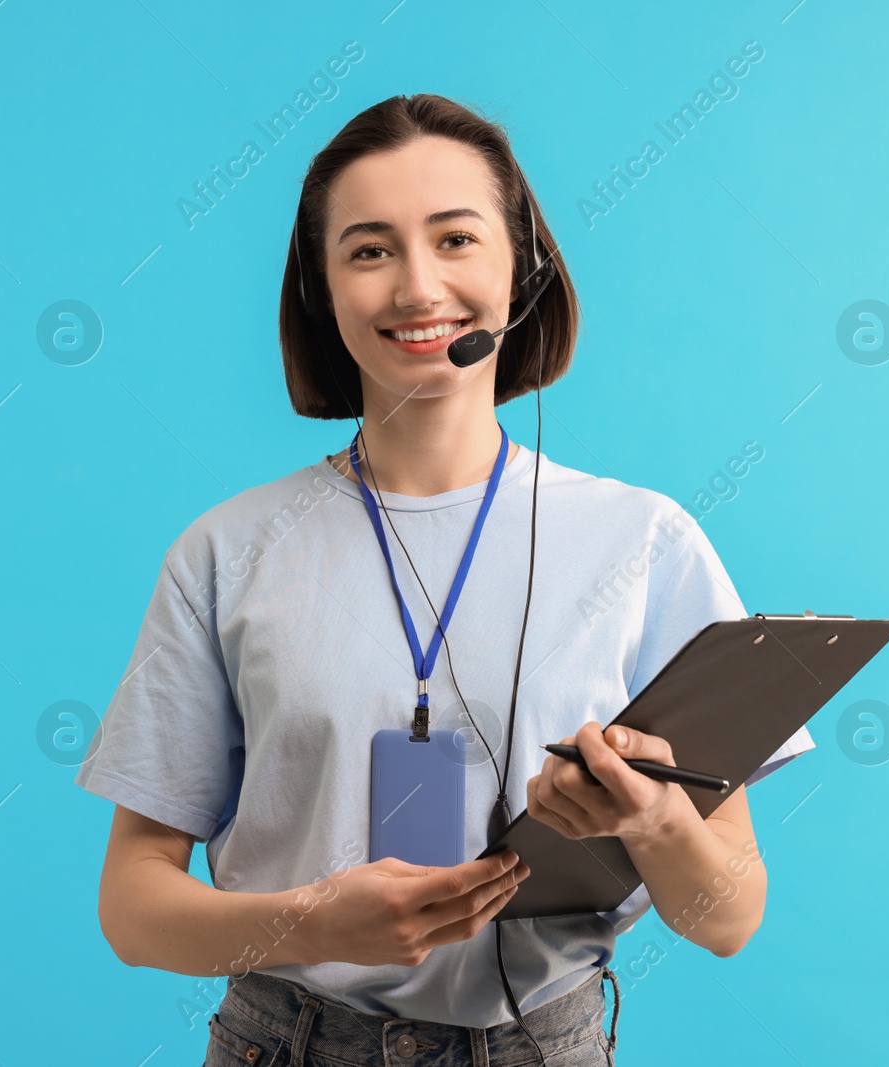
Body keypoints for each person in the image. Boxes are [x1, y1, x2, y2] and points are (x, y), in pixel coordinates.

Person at [75, 93, 814, 1066]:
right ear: (321, 290)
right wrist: (312, 921)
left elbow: (728, 916)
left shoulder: (645, 541)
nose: (419, 289)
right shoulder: (226, 549)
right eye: (370, 250)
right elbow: (132, 906)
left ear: (524, 267)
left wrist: (651, 815)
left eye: (455, 238)